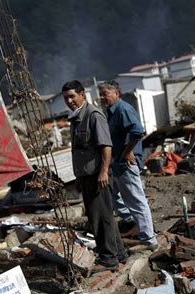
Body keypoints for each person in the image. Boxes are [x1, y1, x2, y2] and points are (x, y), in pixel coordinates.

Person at [62, 80, 127, 273]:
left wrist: (103, 171)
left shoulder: (93, 115)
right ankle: (119, 254)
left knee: (100, 218)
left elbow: (105, 146)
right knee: (102, 215)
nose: (69, 101)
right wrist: (80, 178)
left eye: (72, 96)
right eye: (66, 98)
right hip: (87, 176)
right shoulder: (76, 118)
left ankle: (108, 259)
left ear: (82, 94)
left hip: (98, 175)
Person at [98, 80, 158, 253]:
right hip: (117, 163)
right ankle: (134, 224)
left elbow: (138, 131)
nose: (102, 97)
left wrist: (126, 151)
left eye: (105, 94)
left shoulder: (123, 109)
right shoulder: (110, 112)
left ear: (116, 93)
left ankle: (149, 239)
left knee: (136, 201)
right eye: (100, 94)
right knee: (116, 199)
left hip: (126, 163)